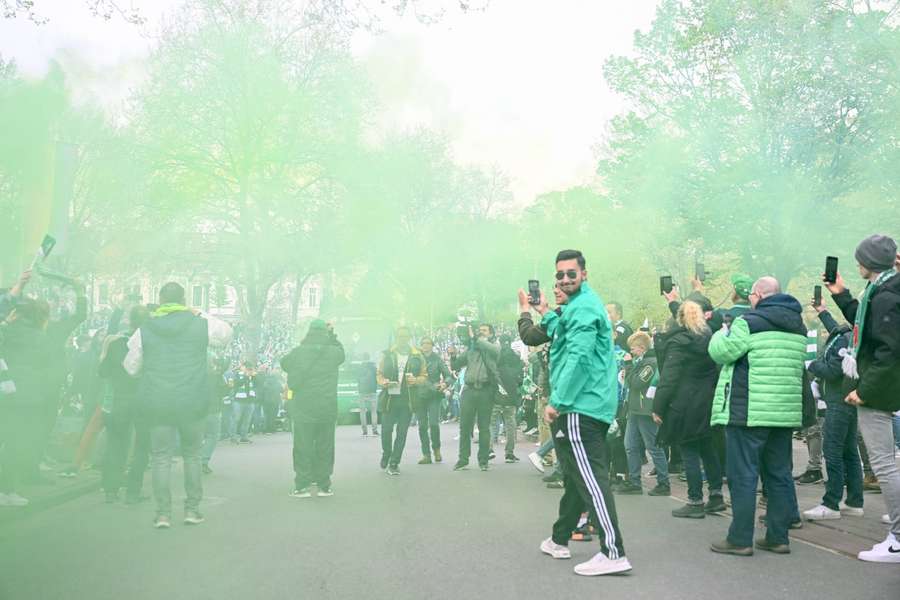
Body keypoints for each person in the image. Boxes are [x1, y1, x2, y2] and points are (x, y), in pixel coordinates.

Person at [536, 249, 631, 577]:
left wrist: (557, 401)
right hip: (587, 404)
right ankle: (559, 538)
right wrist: (545, 313)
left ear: (584, 274)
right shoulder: (578, 306)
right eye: (559, 275)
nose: (564, 279)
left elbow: (578, 357)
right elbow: (565, 335)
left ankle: (613, 552)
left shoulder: (585, 307)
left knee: (591, 479)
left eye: (570, 274)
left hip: (580, 405)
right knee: (579, 477)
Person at [707, 277, 807, 556]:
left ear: (759, 295)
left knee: (743, 475)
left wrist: (723, 331)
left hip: (749, 411)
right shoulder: (798, 326)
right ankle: (778, 537)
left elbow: (720, 352)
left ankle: (740, 538)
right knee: (779, 474)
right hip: (783, 412)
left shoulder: (748, 322)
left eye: (752, 294)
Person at [124, 282, 233, 529]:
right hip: (192, 401)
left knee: (161, 457)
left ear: (161, 300)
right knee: (192, 455)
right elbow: (226, 333)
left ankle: (163, 513)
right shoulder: (199, 324)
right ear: (184, 300)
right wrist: (198, 312)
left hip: (158, 402)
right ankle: (192, 510)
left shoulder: (145, 329)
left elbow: (130, 367)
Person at [825, 234, 900, 563]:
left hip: (876, 392)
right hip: (879, 387)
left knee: (884, 465)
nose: (856, 264)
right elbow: (865, 324)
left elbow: (888, 350)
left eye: (859, 259)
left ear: (868, 262)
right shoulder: (881, 291)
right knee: (886, 463)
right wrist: (840, 295)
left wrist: (864, 390)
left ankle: (898, 540)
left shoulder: (886, 296)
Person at [652, 301, 724, 516]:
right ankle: (716, 496)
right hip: (708, 400)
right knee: (708, 449)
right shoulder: (711, 338)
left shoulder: (678, 342)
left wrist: (658, 406)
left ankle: (695, 501)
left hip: (685, 403)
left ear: (680, 318)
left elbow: (669, 377)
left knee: (689, 451)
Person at [801, 301, 862, 521]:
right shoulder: (846, 334)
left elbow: (833, 370)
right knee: (849, 451)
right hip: (846, 401)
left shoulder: (843, 339)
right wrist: (823, 311)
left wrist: (811, 365)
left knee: (833, 451)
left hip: (838, 402)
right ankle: (854, 501)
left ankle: (831, 503)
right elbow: (835, 328)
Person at [280, 320, 345, 498]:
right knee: (325, 446)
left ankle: (302, 485)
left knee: (303, 446)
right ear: (326, 333)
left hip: (303, 407)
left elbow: (284, 363)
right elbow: (342, 353)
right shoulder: (334, 352)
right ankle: (324, 485)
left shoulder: (299, 352)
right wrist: (332, 335)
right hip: (327, 407)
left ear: (309, 332)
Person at [0, 298, 52, 507]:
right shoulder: (39, 336)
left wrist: (5, 323)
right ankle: (7, 490)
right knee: (14, 443)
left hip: (4, 391)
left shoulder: (7, 332)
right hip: (24, 397)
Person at [99, 305, 152, 504]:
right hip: (143, 400)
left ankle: (110, 490)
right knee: (141, 446)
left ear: (130, 320)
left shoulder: (116, 343)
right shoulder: (151, 343)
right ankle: (133, 491)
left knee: (115, 443)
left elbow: (102, 371)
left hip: (119, 399)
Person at [618, 331, 670, 497]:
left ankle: (664, 483)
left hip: (645, 410)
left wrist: (628, 366)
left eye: (633, 348)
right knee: (630, 446)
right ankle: (634, 481)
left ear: (641, 348)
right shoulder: (640, 362)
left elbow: (636, 383)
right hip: (634, 409)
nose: (631, 351)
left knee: (653, 447)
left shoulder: (650, 363)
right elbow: (629, 382)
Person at [451, 323, 500, 472]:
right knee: (464, 427)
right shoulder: (471, 349)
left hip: (486, 390)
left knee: (484, 427)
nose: (481, 332)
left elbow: (492, 350)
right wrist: (453, 355)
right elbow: (456, 365)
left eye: (484, 331)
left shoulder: (494, 347)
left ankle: (483, 460)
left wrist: (476, 338)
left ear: (491, 334)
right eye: (480, 330)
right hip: (469, 390)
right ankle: (463, 460)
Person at [377, 326, 426, 475]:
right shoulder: (387, 354)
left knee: (402, 432)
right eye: (400, 336)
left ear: (409, 338)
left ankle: (394, 462)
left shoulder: (417, 355)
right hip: (390, 399)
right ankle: (387, 453)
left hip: (407, 399)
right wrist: (384, 382)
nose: (402, 339)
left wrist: (416, 380)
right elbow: (379, 373)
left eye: (405, 336)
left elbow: (424, 376)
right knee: (386, 430)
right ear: (396, 337)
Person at [417, 338, 453, 464]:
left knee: (433, 424)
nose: (425, 346)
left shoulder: (437, 359)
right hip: (419, 395)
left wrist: (445, 384)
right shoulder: (416, 359)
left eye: (428, 343)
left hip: (434, 394)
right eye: (423, 343)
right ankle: (426, 454)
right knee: (422, 426)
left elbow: (448, 375)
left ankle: (436, 449)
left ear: (432, 346)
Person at [493, 334, 524, 463]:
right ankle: (509, 453)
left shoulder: (495, 357)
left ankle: (488, 450)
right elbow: (520, 379)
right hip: (511, 396)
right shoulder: (516, 358)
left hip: (496, 394)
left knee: (491, 422)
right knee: (510, 424)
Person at [356, 352, 379, 437]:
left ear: (362, 358)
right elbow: (377, 378)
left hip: (362, 391)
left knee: (362, 412)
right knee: (374, 411)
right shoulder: (374, 367)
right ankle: (374, 431)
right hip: (372, 391)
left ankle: (364, 431)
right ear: (369, 358)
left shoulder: (359, 367)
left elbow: (357, 379)